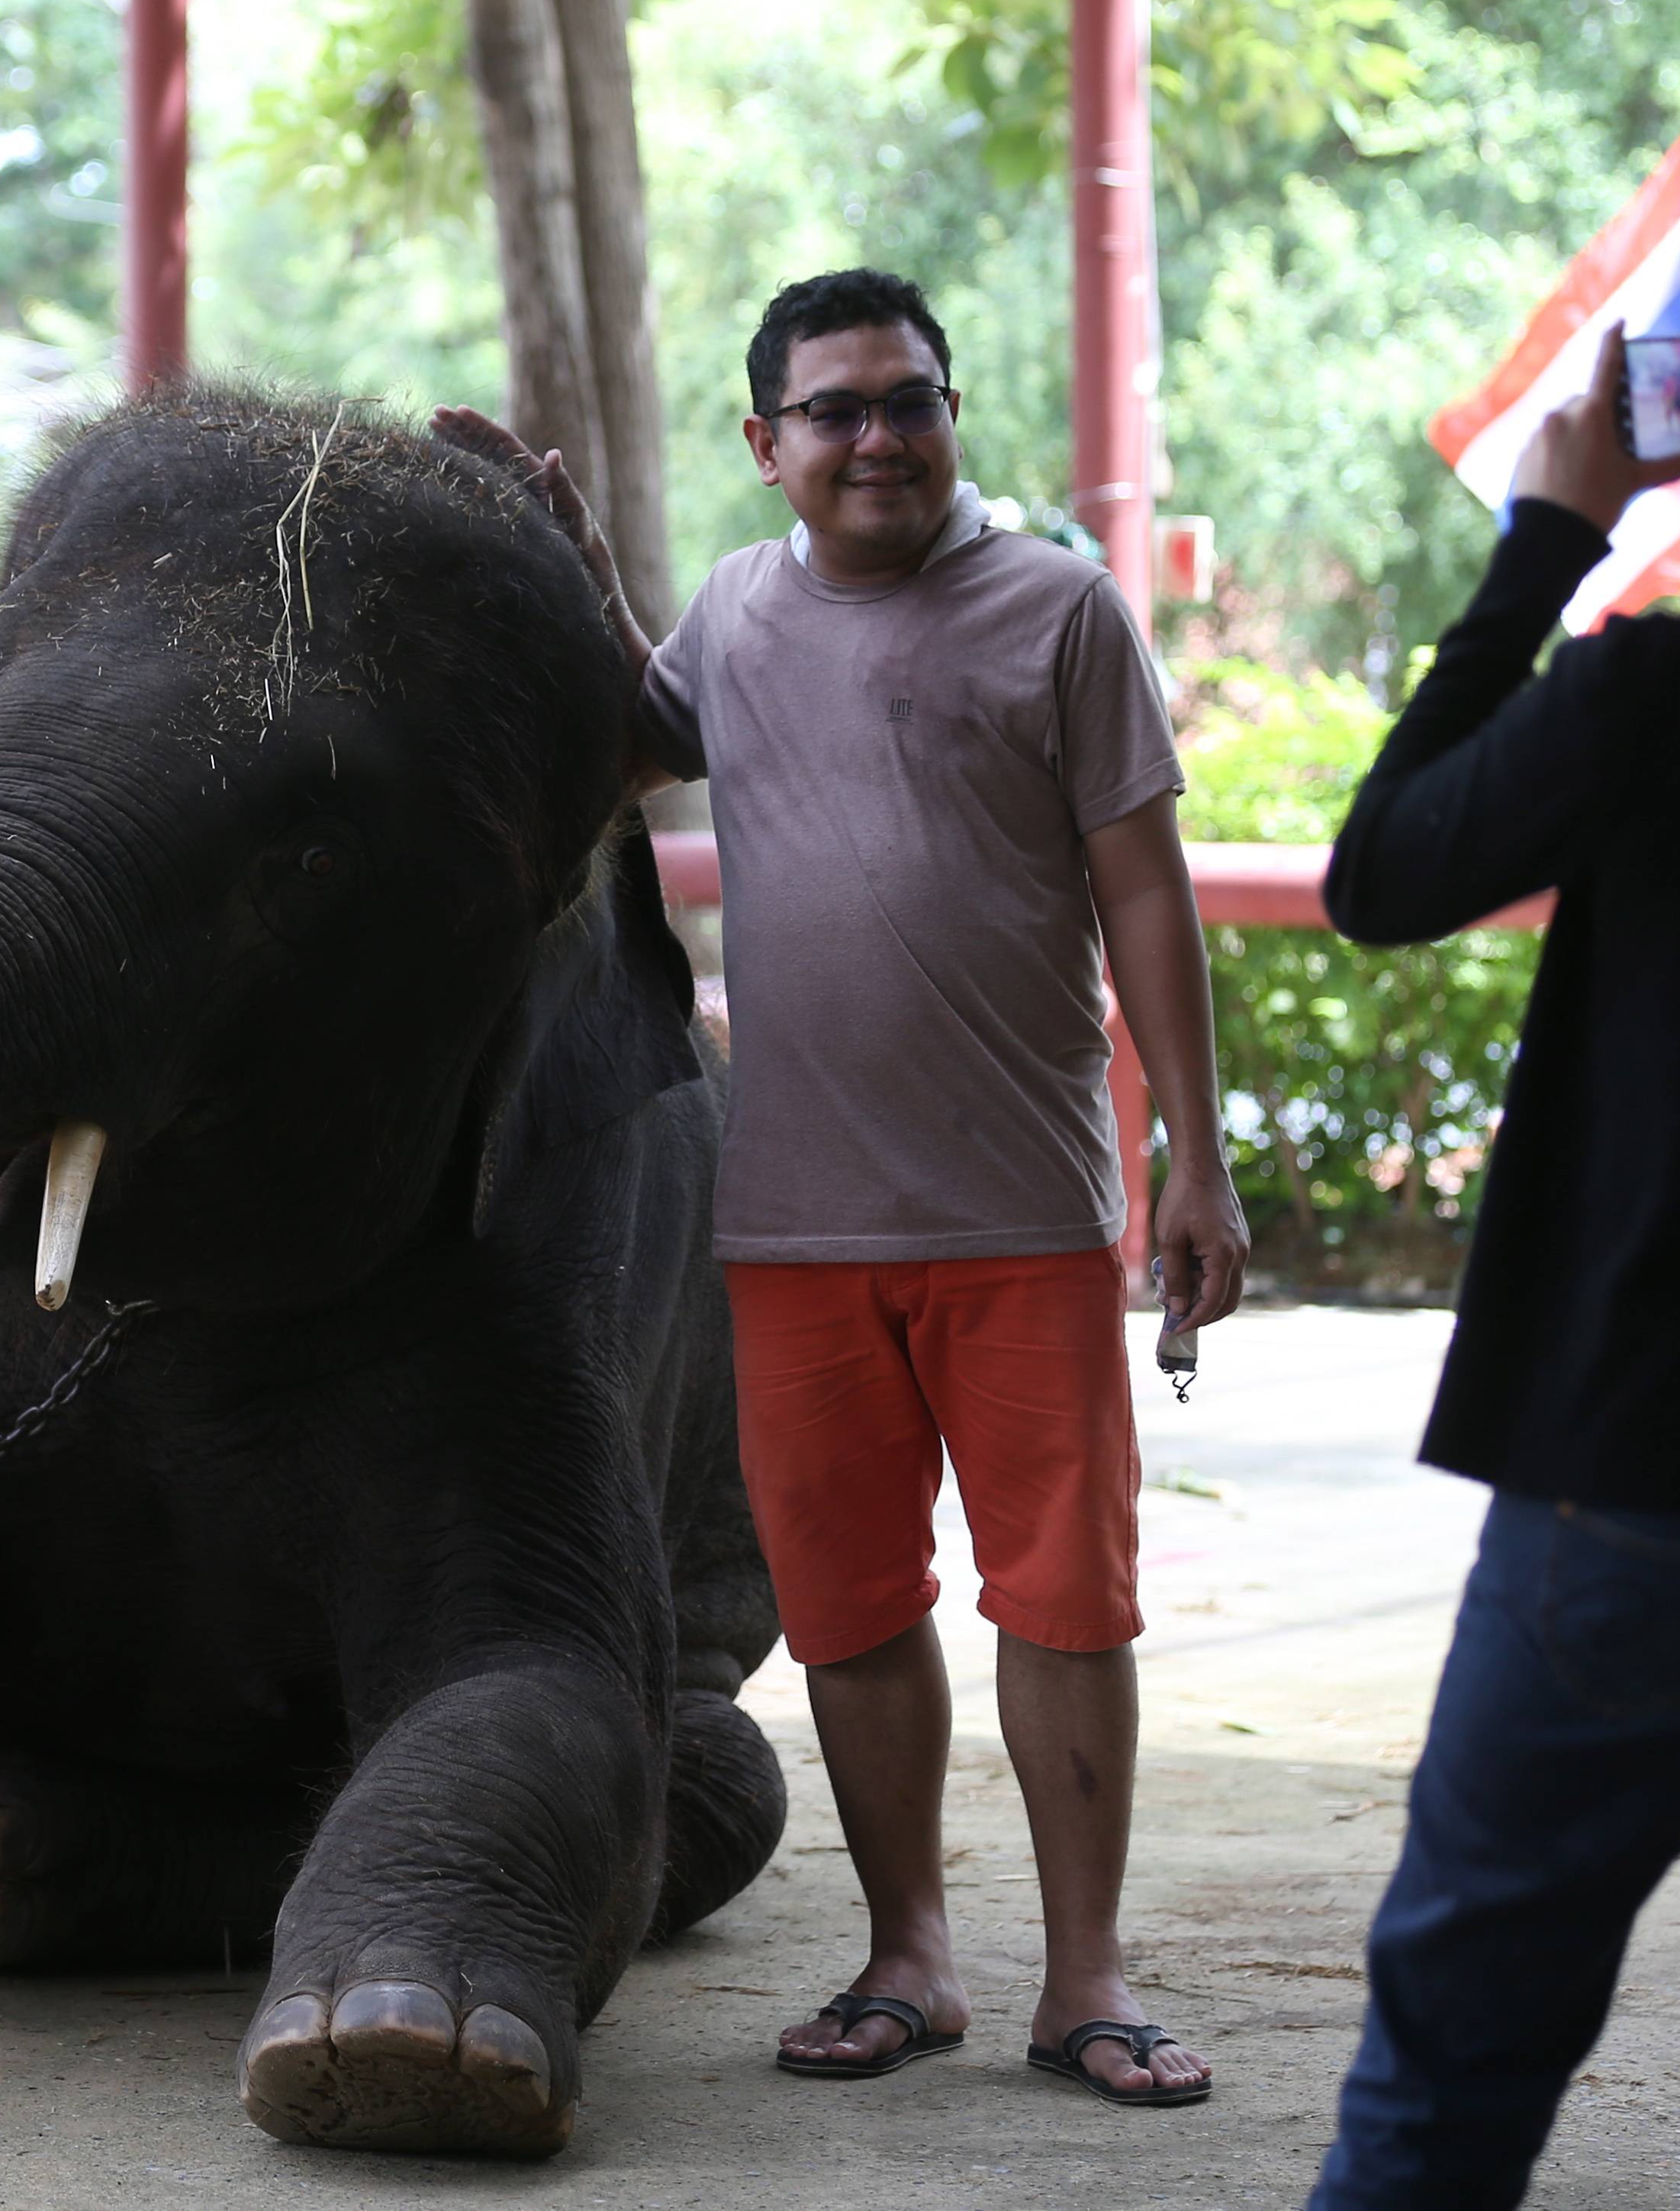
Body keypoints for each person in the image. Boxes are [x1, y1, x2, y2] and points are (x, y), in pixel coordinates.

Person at [437, 265, 1248, 2104]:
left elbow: (1146, 894)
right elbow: (629, 738)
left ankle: (1087, 1980)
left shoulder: (1059, 611)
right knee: (853, 1611)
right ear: (766, 445)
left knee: (1064, 1604)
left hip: (1025, 1215)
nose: (877, 436)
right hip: (790, 1222)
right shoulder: (730, 616)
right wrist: (557, 551)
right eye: (835, 411)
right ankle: (907, 1960)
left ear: (952, 416)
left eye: (908, 400)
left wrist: (1190, 1152)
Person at [1308, 170, 1680, 2208]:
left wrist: (1548, 540)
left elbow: (1379, 871)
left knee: (1450, 2068)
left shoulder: (1668, 702)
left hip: (1645, 1482)